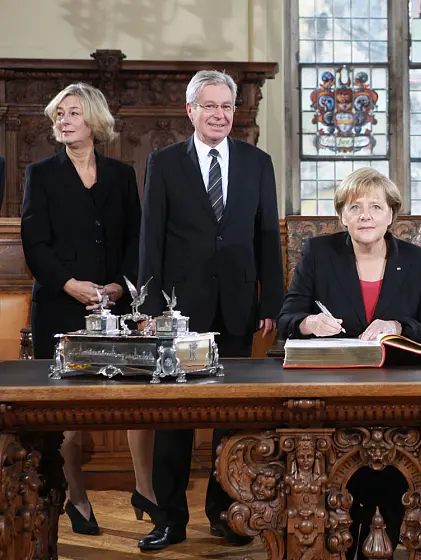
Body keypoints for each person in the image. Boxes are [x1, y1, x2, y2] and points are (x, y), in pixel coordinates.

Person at [137, 69, 284, 551]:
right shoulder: (164, 163)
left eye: (227, 107)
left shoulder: (257, 162)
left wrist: (271, 302)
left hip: (239, 306)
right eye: (210, 106)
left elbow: (266, 236)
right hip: (179, 312)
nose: (220, 115)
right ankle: (169, 518)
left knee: (232, 417)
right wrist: (152, 307)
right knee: (174, 420)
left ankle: (225, 512)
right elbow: (150, 240)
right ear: (191, 111)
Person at [278, 167, 421, 558]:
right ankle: (341, 538)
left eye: (375, 207)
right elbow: (286, 319)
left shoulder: (418, 261)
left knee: (393, 465)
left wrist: (397, 325)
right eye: (355, 207)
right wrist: (309, 322)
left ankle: (396, 530)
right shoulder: (319, 253)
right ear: (342, 216)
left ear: (391, 215)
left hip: (398, 391)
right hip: (334, 390)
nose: (365, 215)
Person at [20, 82, 157, 535]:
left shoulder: (120, 174)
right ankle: (77, 499)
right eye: (58, 114)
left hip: (115, 308)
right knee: (68, 413)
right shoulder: (41, 173)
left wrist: (120, 286)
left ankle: (147, 490)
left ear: (94, 120)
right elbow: (34, 244)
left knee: (138, 403)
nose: (62, 120)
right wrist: (70, 285)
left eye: (72, 113)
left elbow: (137, 238)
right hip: (60, 307)